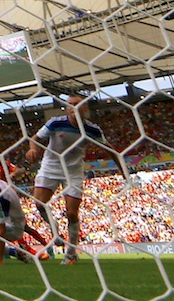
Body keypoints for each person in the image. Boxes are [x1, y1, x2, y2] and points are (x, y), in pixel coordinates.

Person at [25, 94, 128, 265]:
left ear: (85, 108)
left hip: (73, 171)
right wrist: (33, 150)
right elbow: (35, 139)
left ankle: (71, 253)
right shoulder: (55, 123)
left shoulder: (92, 130)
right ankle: (54, 228)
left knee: (72, 213)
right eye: (70, 104)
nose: (73, 107)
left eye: (77, 104)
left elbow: (111, 150)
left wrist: (123, 170)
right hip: (50, 167)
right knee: (39, 203)